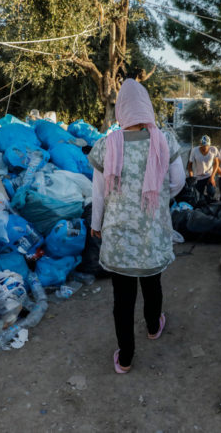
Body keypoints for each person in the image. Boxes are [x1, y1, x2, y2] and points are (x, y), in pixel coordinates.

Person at [88, 79, 185, 374]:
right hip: (152, 231)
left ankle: (126, 357)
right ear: (146, 107)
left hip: (118, 233)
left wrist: (96, 224)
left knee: (123, 296)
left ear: (121, 109)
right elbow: (178, 181)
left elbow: (98, 192)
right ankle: (154, 326)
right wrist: (159, 194)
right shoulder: (165, 139)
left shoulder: (106, 144)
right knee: (152, 281)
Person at [187, 135, 219, 201]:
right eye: (203, 146)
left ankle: (209, 204)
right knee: (198, 196)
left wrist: (212, 177)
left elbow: (216, 163)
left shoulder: (213, 150)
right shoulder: (194, 151)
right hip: (198, 176)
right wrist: (191, 176)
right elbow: (189, 165)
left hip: (209, 176)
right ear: (200, 144)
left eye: (207, 146)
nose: (205, 147)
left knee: (211, 192)